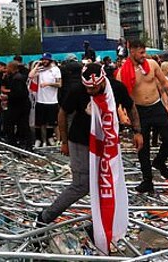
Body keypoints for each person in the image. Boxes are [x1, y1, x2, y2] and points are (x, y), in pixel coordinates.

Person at [37, 63, 143, 224]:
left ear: (102, 82)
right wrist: (64, 141)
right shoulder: (77, 90)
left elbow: (131, 107)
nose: (89, 91)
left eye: (93, 88)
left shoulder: (116, 88)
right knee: (81, 185)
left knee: (107, 183)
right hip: (80, 140)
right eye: (87, 88)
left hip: (106, 141)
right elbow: (62, 113)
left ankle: (99, 225)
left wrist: (137, 131)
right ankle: (45, 217)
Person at [116, 39, 168, 193]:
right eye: (141, 52)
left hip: (156, 106)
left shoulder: (152, 64)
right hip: (138, 111)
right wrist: (122, 114)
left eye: (144, 52)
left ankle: (159, 161)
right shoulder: (123, 72)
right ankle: (147, 180)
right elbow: (119, 97)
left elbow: (165, 83)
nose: (144, 55)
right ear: (132, 51)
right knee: (143, 147)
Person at [29, 53, 62, 147]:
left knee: (53, 123)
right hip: (40, 100)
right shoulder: (40, 70)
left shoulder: (55, 70)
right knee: (40, 123)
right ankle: (42, 140)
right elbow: (31, 76)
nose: (44, 61)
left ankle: (56, 140)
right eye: (43, 60)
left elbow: (59, 84)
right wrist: (37, 66)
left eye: (46, 60)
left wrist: (48, 84)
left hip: (52, 101)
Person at [1, 61, 32, 150]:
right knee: (19, 124)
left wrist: (7, 96)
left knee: (20, 125)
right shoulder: (13, 77)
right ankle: (19, 143)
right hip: (18, 105)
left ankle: (21, 144)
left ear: (11, 68)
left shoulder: (17, 79)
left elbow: (20, 93)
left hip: (20, 106)